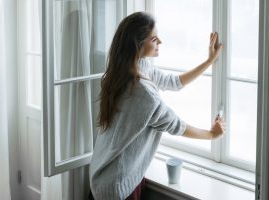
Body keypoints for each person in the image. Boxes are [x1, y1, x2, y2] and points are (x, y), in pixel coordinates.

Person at [89, 12, 225, 200]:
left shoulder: (128, 69)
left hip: (102, 175)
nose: (160, 41)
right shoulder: (144, 95)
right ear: (138, 44)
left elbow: (173, 82)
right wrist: (212, 134)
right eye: (154, 39)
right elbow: (177, 126)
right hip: (116, 187)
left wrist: (209, 61)